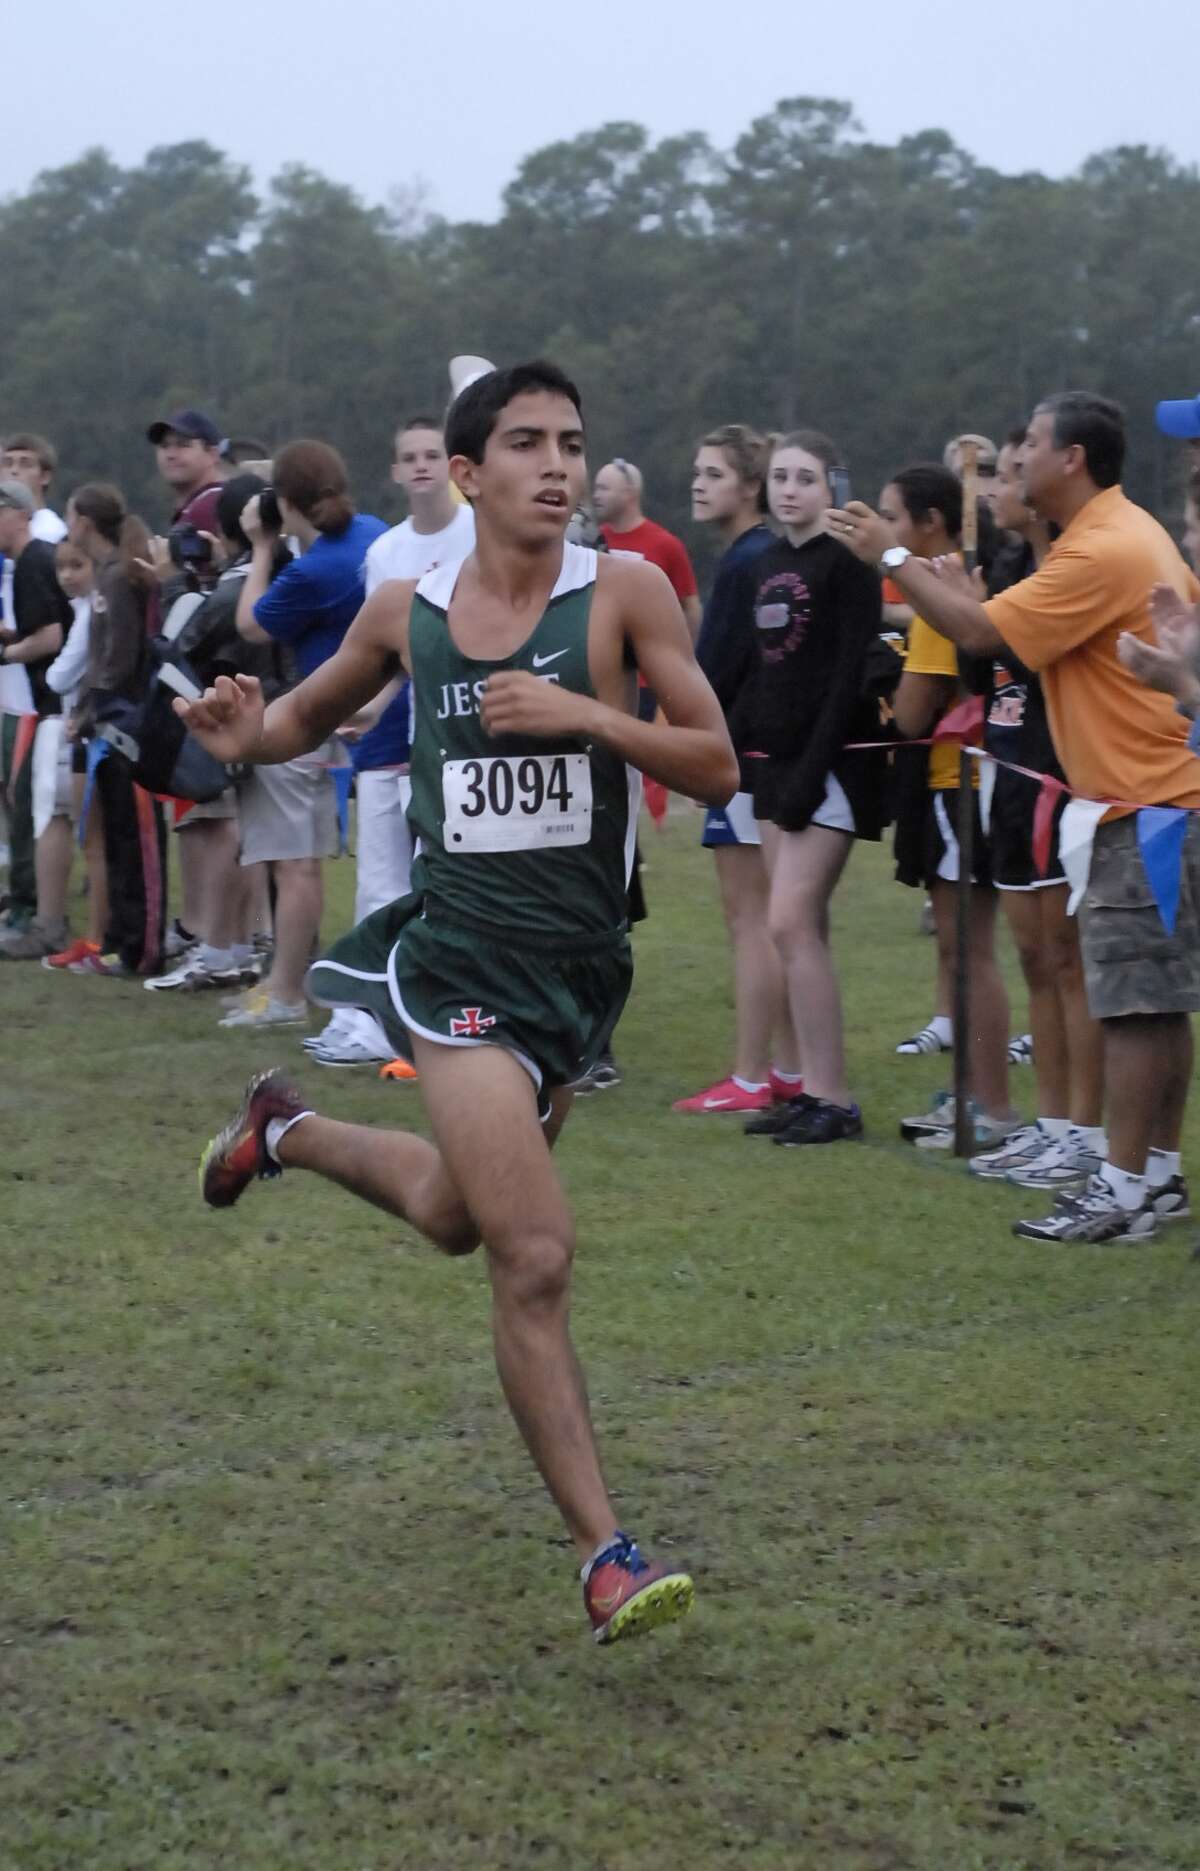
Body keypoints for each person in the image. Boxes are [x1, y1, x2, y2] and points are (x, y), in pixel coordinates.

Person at [177, 359, 737, 1643]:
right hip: (458, 966)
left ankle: (288, 1130)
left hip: (579, 972)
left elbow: (714, 761)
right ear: (470, 475)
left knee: (451, 1213)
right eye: (529, 443)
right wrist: (243, 727)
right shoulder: (405, 606)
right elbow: (300, 726)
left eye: (574, 442)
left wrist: (589, 715)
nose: (559, 465)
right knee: (533, 1255)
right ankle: (608, 1553)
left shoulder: (628, 591)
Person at [829, 392, 1200, 1244]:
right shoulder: (1117, 533)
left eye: (1031, 442)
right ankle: (1157, 1175)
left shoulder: (1102, 545)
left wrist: (887, 552)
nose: (1018, 457)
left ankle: (1122, 1186)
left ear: (1072, 459)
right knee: (1158, 1001)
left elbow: (978, 631)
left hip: (1143, 797)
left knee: (1136, 1007)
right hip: (1156, 793)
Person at [734, 430, 889, 1146]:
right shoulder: (765, 561)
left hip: (830, 765)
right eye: (780, 477)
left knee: (791, 920)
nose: (789, 489)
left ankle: (835, 1096)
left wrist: (810, 771)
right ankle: (797, 1085)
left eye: (805, 477)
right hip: (773, 764)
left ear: (832, 485)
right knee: (796, 928)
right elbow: (759, 673)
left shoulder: (847, 564)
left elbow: (848, 677)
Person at [307, 414, 476, 1068]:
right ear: (397, 471)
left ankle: (453, 1016)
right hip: (399, 737)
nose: (423, 465)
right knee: (378, 884)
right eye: (411, 456)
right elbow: (381, 656)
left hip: (466, 740)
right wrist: (366, 709)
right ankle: (367, 1024)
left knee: (453, 888)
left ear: (452, 463)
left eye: (433, 453)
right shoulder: (384, 554)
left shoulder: (479, 536)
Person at [966, 430, 1106, 1190]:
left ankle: (1089, 1130)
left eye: (1012, 474)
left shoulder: (1075, 566)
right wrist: (963, 592)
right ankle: (1051, 1124)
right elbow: (976, 667)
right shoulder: (1011, 563)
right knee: (1033, 961)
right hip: (1009, 768)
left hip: (1061, 772)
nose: (997, 489)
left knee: (1068, 961)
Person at [878, 465, 1019, 1153]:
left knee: (969, 952)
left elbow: (911, 711)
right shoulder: (954, 579)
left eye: (892, 517)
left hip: (953, 782)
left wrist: (885, 676)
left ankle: (990, 1104)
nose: (885, 529)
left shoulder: (937, 584)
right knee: (963, 949)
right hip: (972, 781)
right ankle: (970, 1092)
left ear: (929, 524)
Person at [222, 440, 387, 1028]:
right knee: (306, 861)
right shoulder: (370, 533)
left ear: (290, 504)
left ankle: (287, 991)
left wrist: (262, 546)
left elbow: (251, 621)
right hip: (363, 715)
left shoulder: (317, 569)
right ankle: (290, 983)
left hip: (314, 714)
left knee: (293, 863)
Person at [673, 423, 802, 1115]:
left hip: (745, 761)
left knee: (751, 919)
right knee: (769, 919)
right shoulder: (761, 555)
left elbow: (712, 672)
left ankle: (753, 1076)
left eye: (715, 473)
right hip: (760, 756)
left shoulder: (747, 562)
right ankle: (786, 1067)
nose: (698, 483)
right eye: (697, 470)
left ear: (750, 486)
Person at [145, 474, 289, 993]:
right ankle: (248, 945)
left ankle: (221, 951)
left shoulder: (233, 587)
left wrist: (175, 582)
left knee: (235, 836)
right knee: (267, 847)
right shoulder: (282, 573)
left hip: (242, 723)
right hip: (284, 715)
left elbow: (180, 640)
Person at [65, 483, 166, 977]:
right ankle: (121, 943)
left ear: (84, 521)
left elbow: (119, 658)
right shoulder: (107, 579)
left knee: (135, 838)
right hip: (106, 724)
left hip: (125, 728)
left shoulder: (117, 580)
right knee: (119, 839)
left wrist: (95, 709)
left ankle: (141, 947)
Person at [0, 480, 73, 958]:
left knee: (36, 808)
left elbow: (50, 637)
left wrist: (6, 654)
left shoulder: (30, 563)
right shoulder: (36, 560)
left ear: (20, 514)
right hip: (52, 705)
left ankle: (37, 914)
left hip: (52, 706)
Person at [40, 537, 109, 971]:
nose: (67, 575)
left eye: (76, 565)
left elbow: (60, 675)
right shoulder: (85, 609)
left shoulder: (92, 611)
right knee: (93, 841)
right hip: (82, 730)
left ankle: (100, 940)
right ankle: (100, 936)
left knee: (96, 842)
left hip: (91, 734)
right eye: (62, 567)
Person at [592, 457, 701, 639]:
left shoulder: (666, 545)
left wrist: (684, 657)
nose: (596, 496)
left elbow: (690, 606)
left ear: (629, 493)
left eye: (604, 489)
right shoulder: (591, 542)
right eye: (596, 488)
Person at [1, 433, 68, 543]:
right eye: (8, 463)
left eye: (25, 464)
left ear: (45, 477)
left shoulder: (51, 532)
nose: (14, 470)